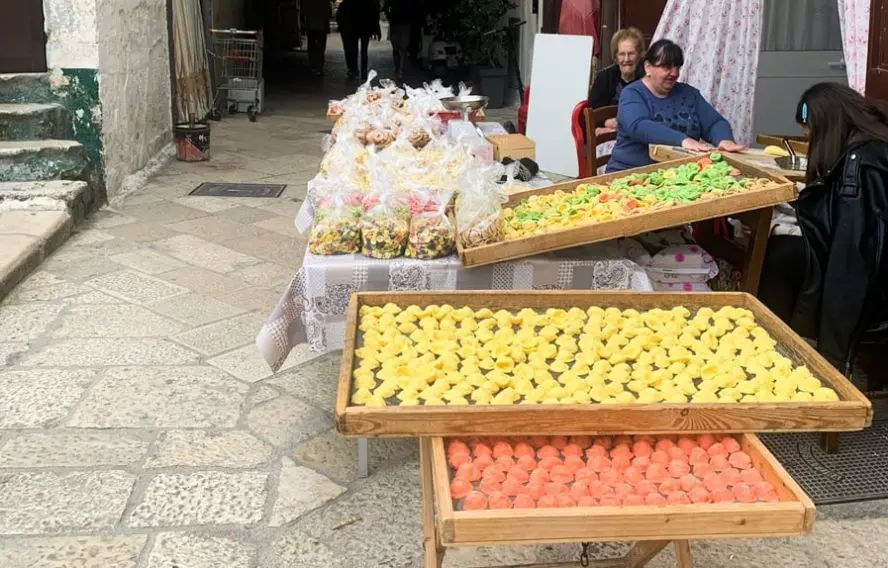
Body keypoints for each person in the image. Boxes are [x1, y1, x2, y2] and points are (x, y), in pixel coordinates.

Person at [758, 82, 888, 375]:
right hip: (868, 266)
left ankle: (777, 354)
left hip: (873, 287)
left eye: (810, 135)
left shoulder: (860, 166)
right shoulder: (873, 142)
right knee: (784, 249)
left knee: (779, 258)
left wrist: (832, 358)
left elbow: (852, 261)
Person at [606, 39, 746, 173]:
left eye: (677, 67)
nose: (674, 73)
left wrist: (724, 139)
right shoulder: (632, 93)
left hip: (679, 174)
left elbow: (715, 122)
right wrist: (683, 140)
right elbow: (638, 125)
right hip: (630, 173)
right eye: (666, 67)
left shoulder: (689, 94)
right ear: (648, 67)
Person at [587, 26, 646, 128]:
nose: (626, 59)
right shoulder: (604, 78)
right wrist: (605, 123)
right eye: (622, 54)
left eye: (631, 53)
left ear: (640, 54)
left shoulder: (647, 78)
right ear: (616, 56)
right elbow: (590, 115)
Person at [337, 0, 381, 82]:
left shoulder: (347, 3)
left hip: (351, 28)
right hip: (365, 28)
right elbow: (375, 15)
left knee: (352, 50)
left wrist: (342, 27)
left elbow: (340, 15)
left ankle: (353, 71)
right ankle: (363, 74)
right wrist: (376, 29)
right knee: (364, 51)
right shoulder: (369, 2)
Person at [383, 0, 414, 82]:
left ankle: (399, 69)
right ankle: (399, 69)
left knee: (398, 49)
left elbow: (385, 7)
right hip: (402, 23)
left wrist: (389, 16)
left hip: (398, 23)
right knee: (400, 49)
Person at [303, 0, 333, 76]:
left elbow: (304, 12)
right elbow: (330, 14)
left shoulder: (308, 2)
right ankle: (319, 67)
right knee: (321, 48)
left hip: (310, 26)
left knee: (311, 46)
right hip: (322, 27)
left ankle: (312, 65)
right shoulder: (325, 1)